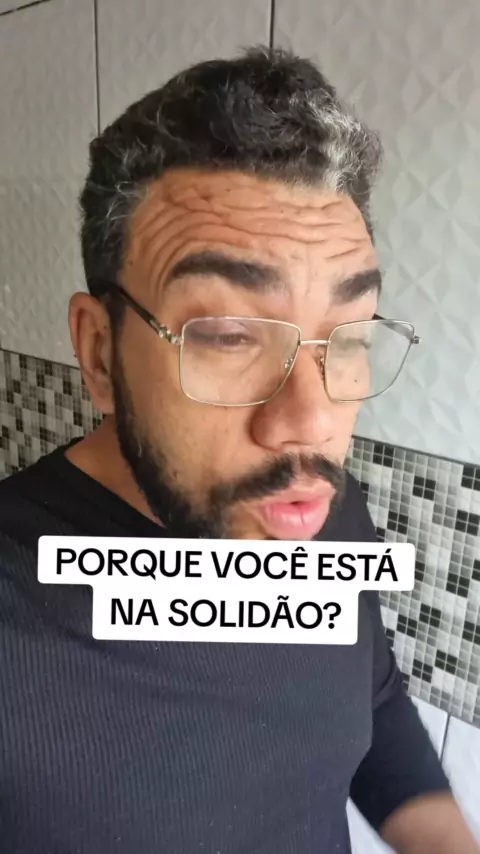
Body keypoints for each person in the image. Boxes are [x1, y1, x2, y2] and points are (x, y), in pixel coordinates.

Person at [0, 46, 477, 854]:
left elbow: (370, 698)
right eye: (228, 335)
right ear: (100, 353)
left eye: (350, 336)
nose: (312, 423)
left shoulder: (325, 516)